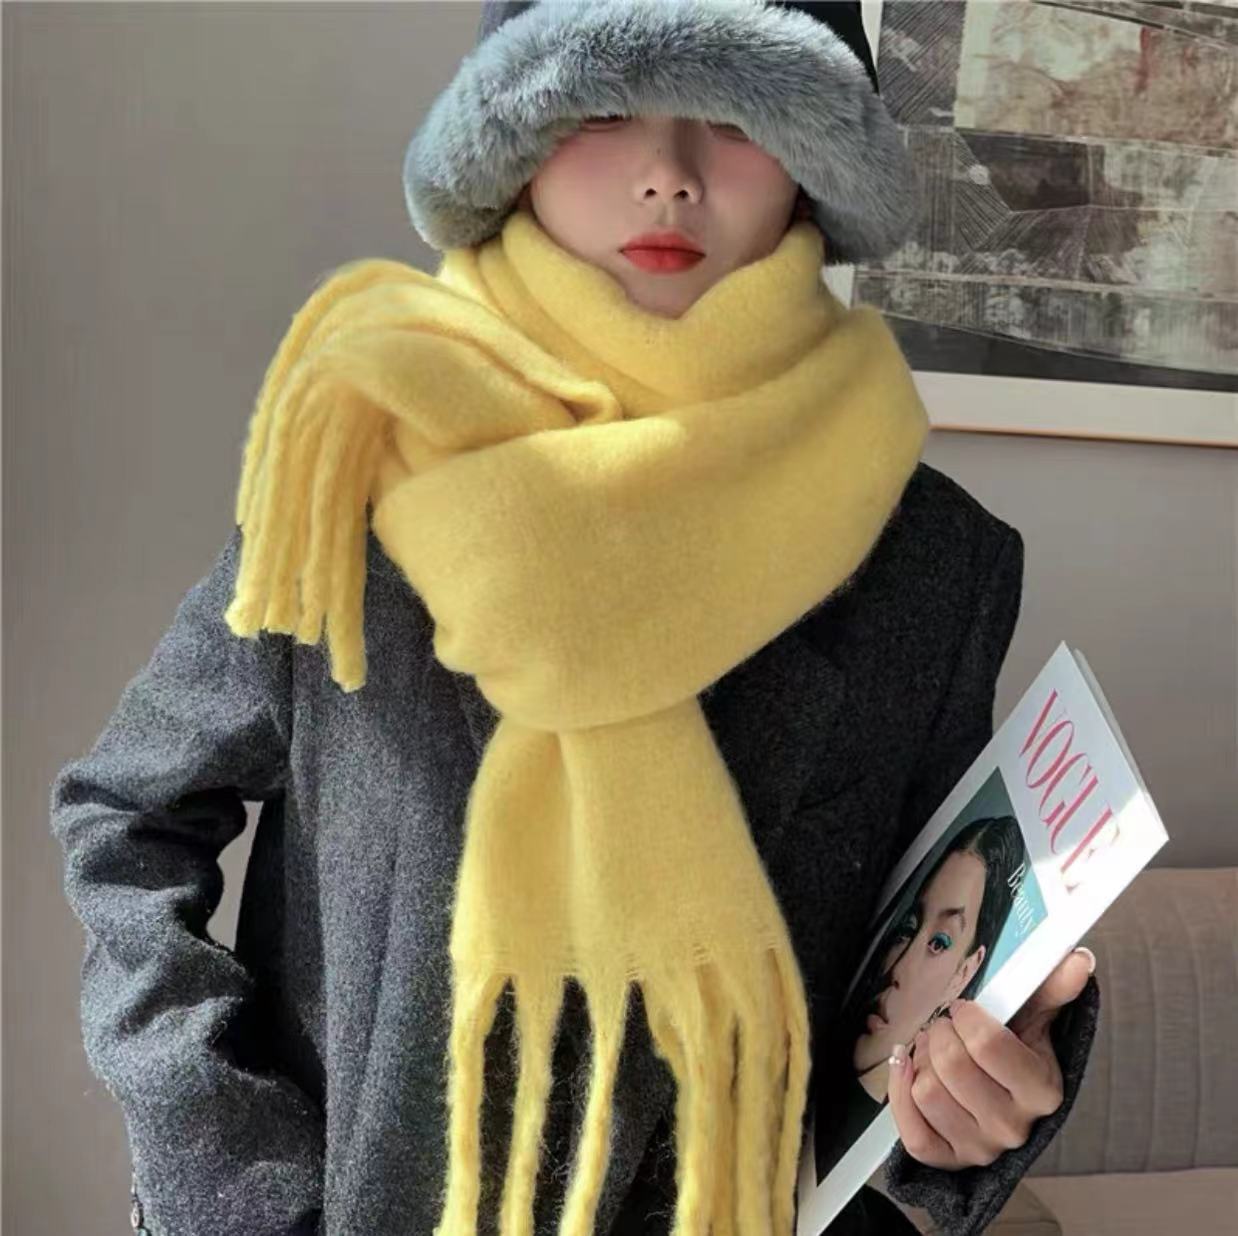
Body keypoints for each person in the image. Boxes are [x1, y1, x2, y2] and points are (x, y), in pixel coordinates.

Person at [48, 3, 1101, 1235]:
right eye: (600, 108)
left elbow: (917, 937)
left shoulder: (935, 563)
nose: (668, 173)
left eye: (736, 115)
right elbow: (129, 817)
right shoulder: (357, 463)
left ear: (812, 164)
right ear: (510, 146)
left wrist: (974, 1093)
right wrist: (227, 1175)